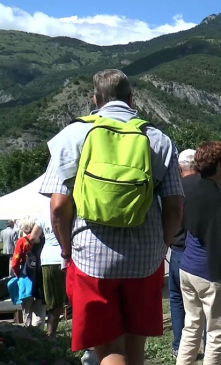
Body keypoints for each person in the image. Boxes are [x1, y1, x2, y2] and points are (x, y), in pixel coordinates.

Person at [39, 69, 184, 365]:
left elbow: (58, 206)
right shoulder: (157, 138)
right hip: (145, 259)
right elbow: (175, 205)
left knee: (109, 348)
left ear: (95, 99)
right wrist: (161, 248)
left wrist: (67, 249)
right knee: (135, 347)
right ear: (131, 98)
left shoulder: (73, 135)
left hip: (91, 259)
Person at [176, 142, 221, 365]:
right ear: (220, 165)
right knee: (216, 331)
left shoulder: (189, 189)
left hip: (187, 266)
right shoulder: (220, 201)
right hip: (210, 272)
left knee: (191, 326)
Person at [168, 149, 199, 358]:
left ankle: (179, 345)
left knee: (177, 299)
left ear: (180, 168)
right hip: (199, 251)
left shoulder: (174, 189)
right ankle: (205, 344)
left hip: (177, 250)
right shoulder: (207, 187)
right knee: (203, 303)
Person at [31, 210, 68, 336]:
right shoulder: (70, 210)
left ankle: (50, 335)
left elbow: (33, 237)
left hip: (47, 259)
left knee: (53, 301)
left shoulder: (43, 214)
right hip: (66, 257)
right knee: (72, 297)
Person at [11, 216, 46, 329]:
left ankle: (28, 337)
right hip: (40, 277)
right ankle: (39, 335)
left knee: (27, 311)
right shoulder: (43, 240)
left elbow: (15, 263)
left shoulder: (21, 241)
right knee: (40, 309)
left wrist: (17, 274)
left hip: (25, 278)